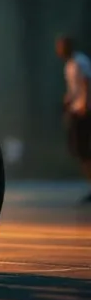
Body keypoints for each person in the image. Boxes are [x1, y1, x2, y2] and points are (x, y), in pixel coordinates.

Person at [55, 35, 91, 202]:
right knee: (80, 150)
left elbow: (86, 82)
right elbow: (74, 88)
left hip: (85, 111)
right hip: (76, 110)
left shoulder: (80, 61)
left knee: (85, 150)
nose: (59, 50)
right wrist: (68, 101)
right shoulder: (69, 65)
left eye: (61, 46)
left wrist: (85, 104)